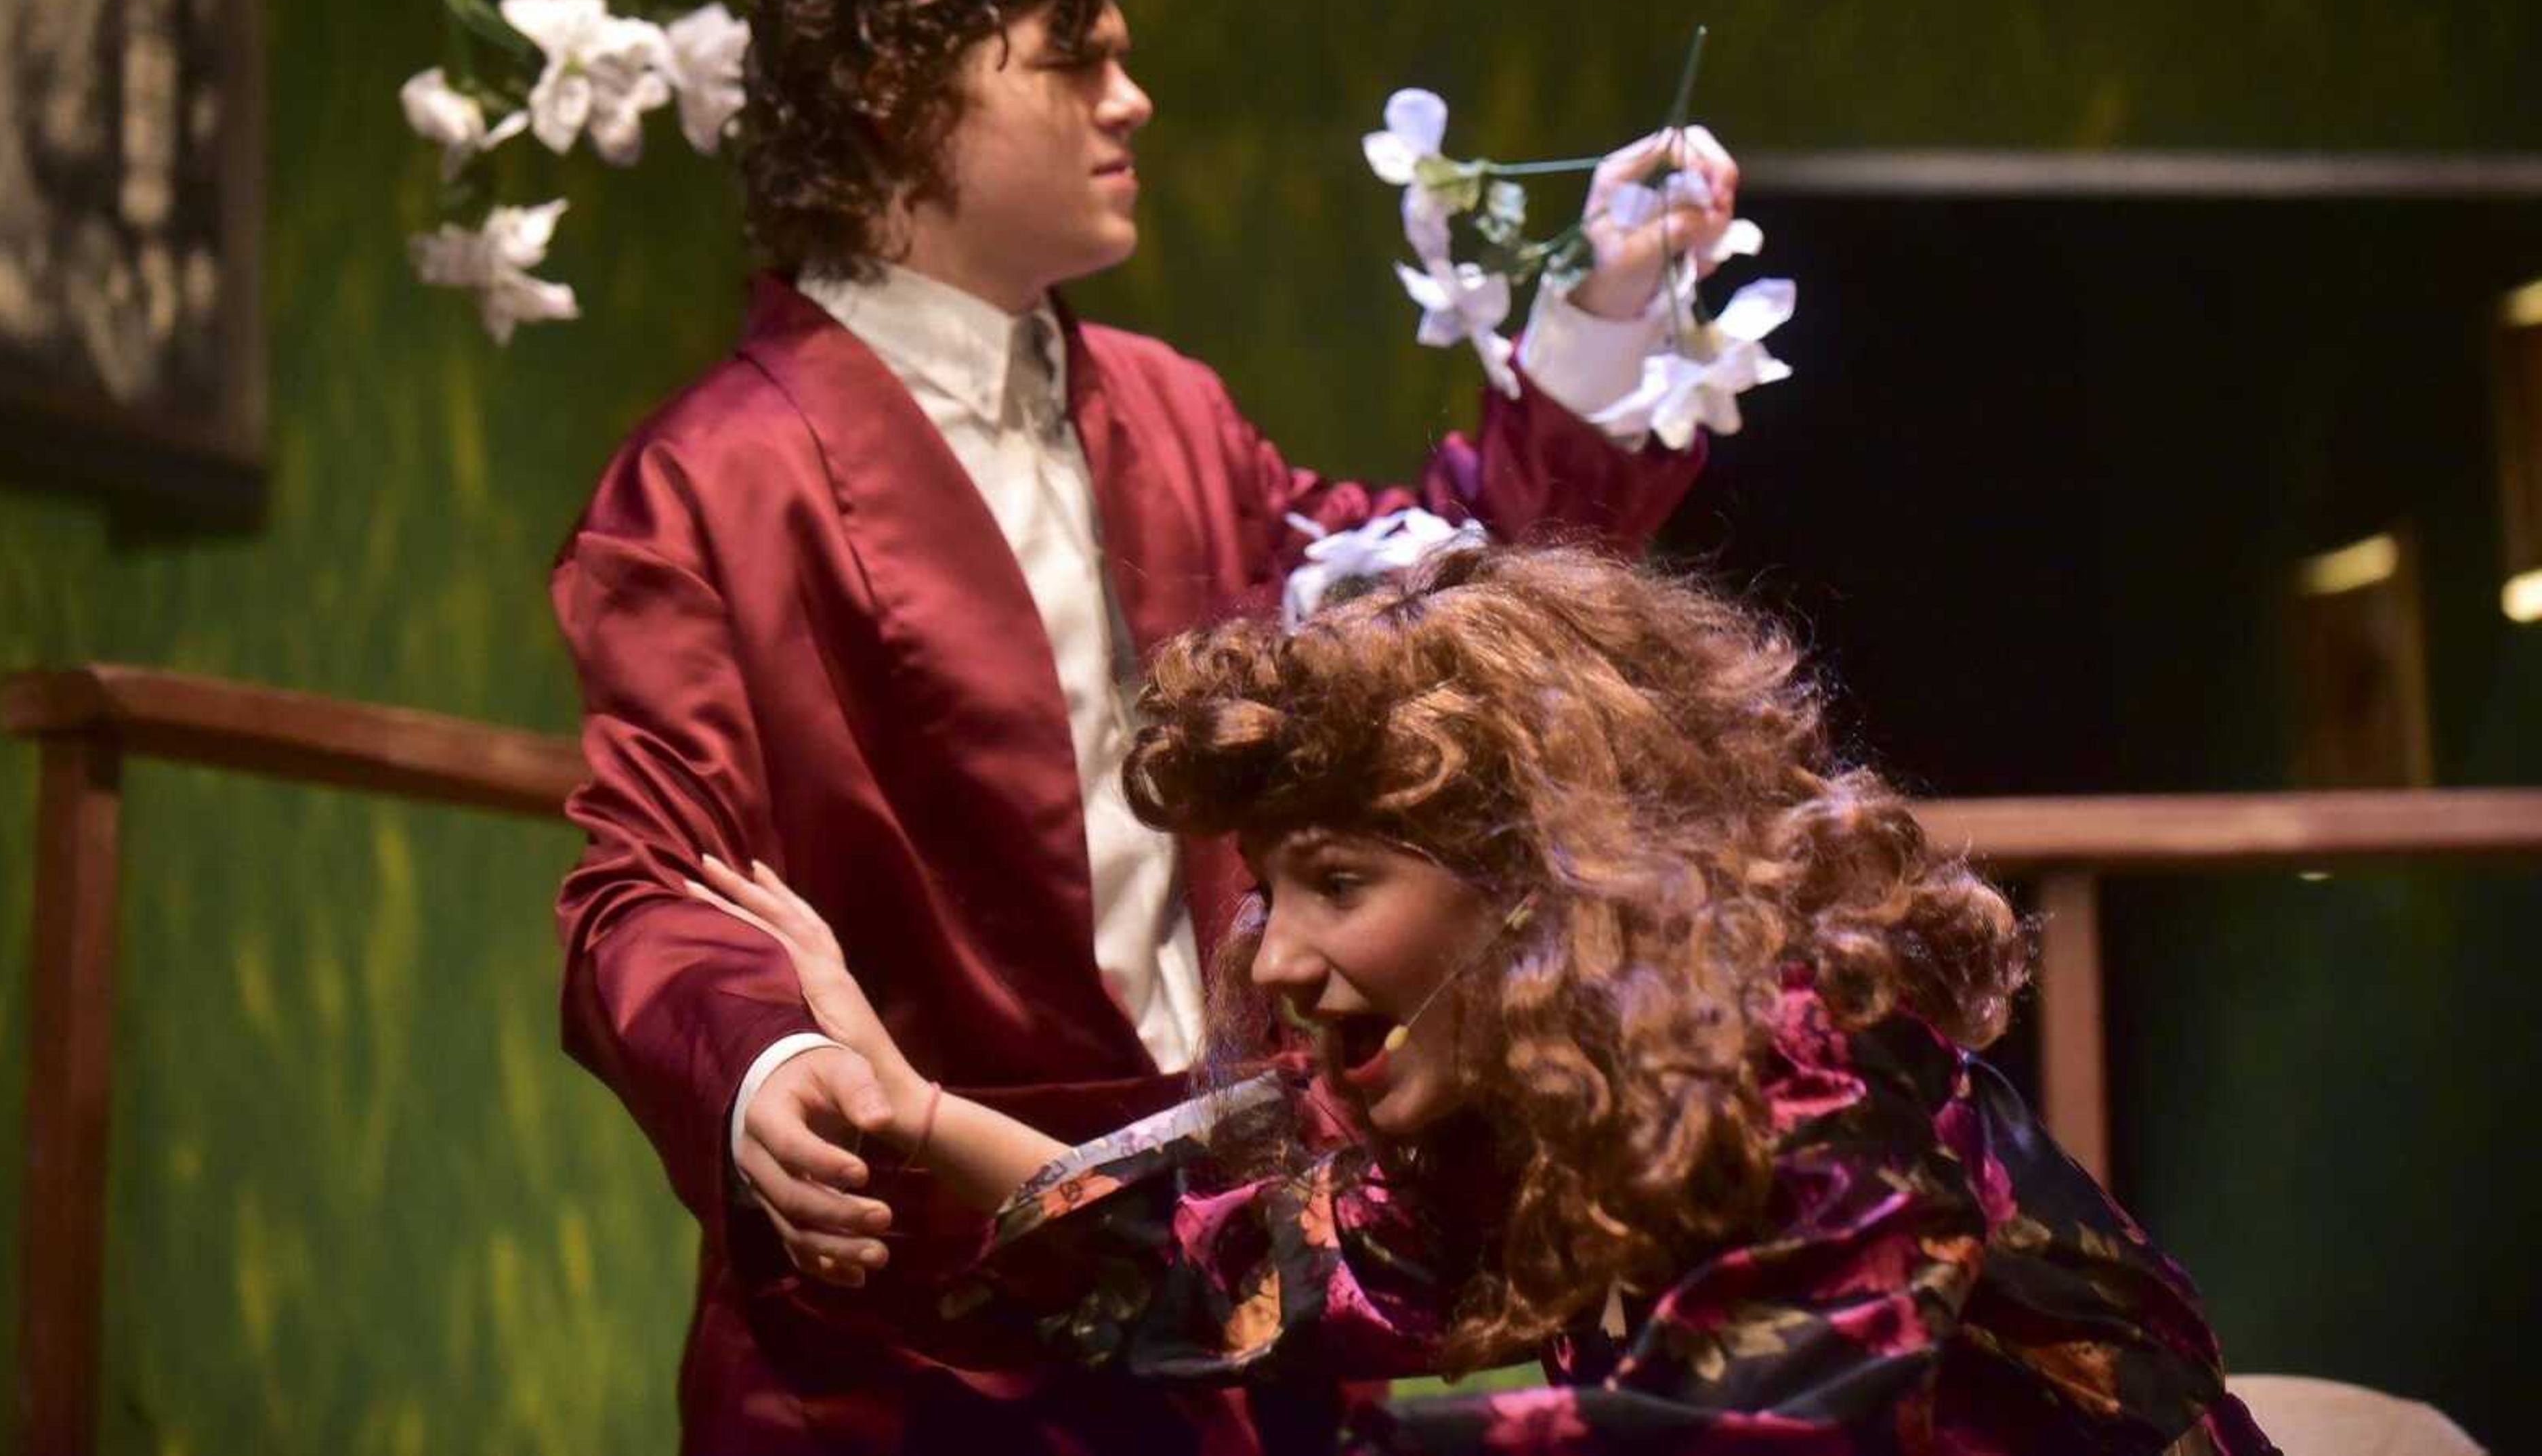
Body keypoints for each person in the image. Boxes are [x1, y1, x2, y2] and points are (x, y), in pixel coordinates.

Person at [552, 0, 1737, 1452]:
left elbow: (1440, 599)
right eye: (1074, 56)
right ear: (904, 95)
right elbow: (652, 876)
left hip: (1234, 1266)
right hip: (923, 1331)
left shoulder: (1172, 412)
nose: (1134, 100)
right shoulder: (716, 476)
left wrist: (1598, 314)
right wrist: (761, 1058)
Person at [687, 542, 2278, 1455]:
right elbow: (1225, 1276)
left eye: (1339, 881)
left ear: (1540, 878)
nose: (1280, 957)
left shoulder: (1806, 1058)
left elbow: (1744, 1432)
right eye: (1270, 888)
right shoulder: (1516, 1100)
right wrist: (913, 1111)